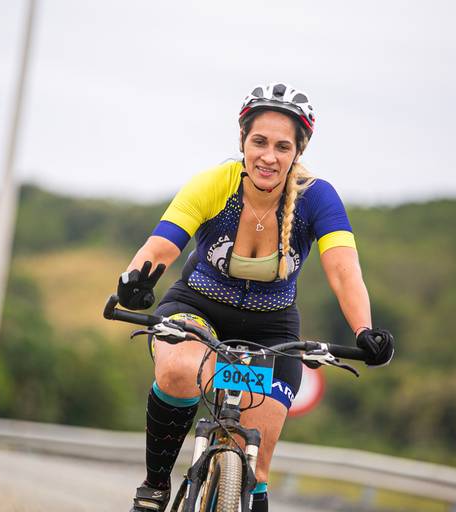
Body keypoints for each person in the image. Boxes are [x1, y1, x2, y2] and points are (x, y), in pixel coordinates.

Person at [116, 82, 395, 512]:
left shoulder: (316, 196)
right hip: (197, 307)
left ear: (298, 151)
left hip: (272, 328)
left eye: (282, 146)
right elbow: (163, 243)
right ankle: (155, 487)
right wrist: (136, 280)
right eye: (259, 142)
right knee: (179, 368)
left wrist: (364, 329)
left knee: (256, 470)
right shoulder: (215, 183)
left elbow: (343, 269)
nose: (269, 156)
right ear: (243, 140)